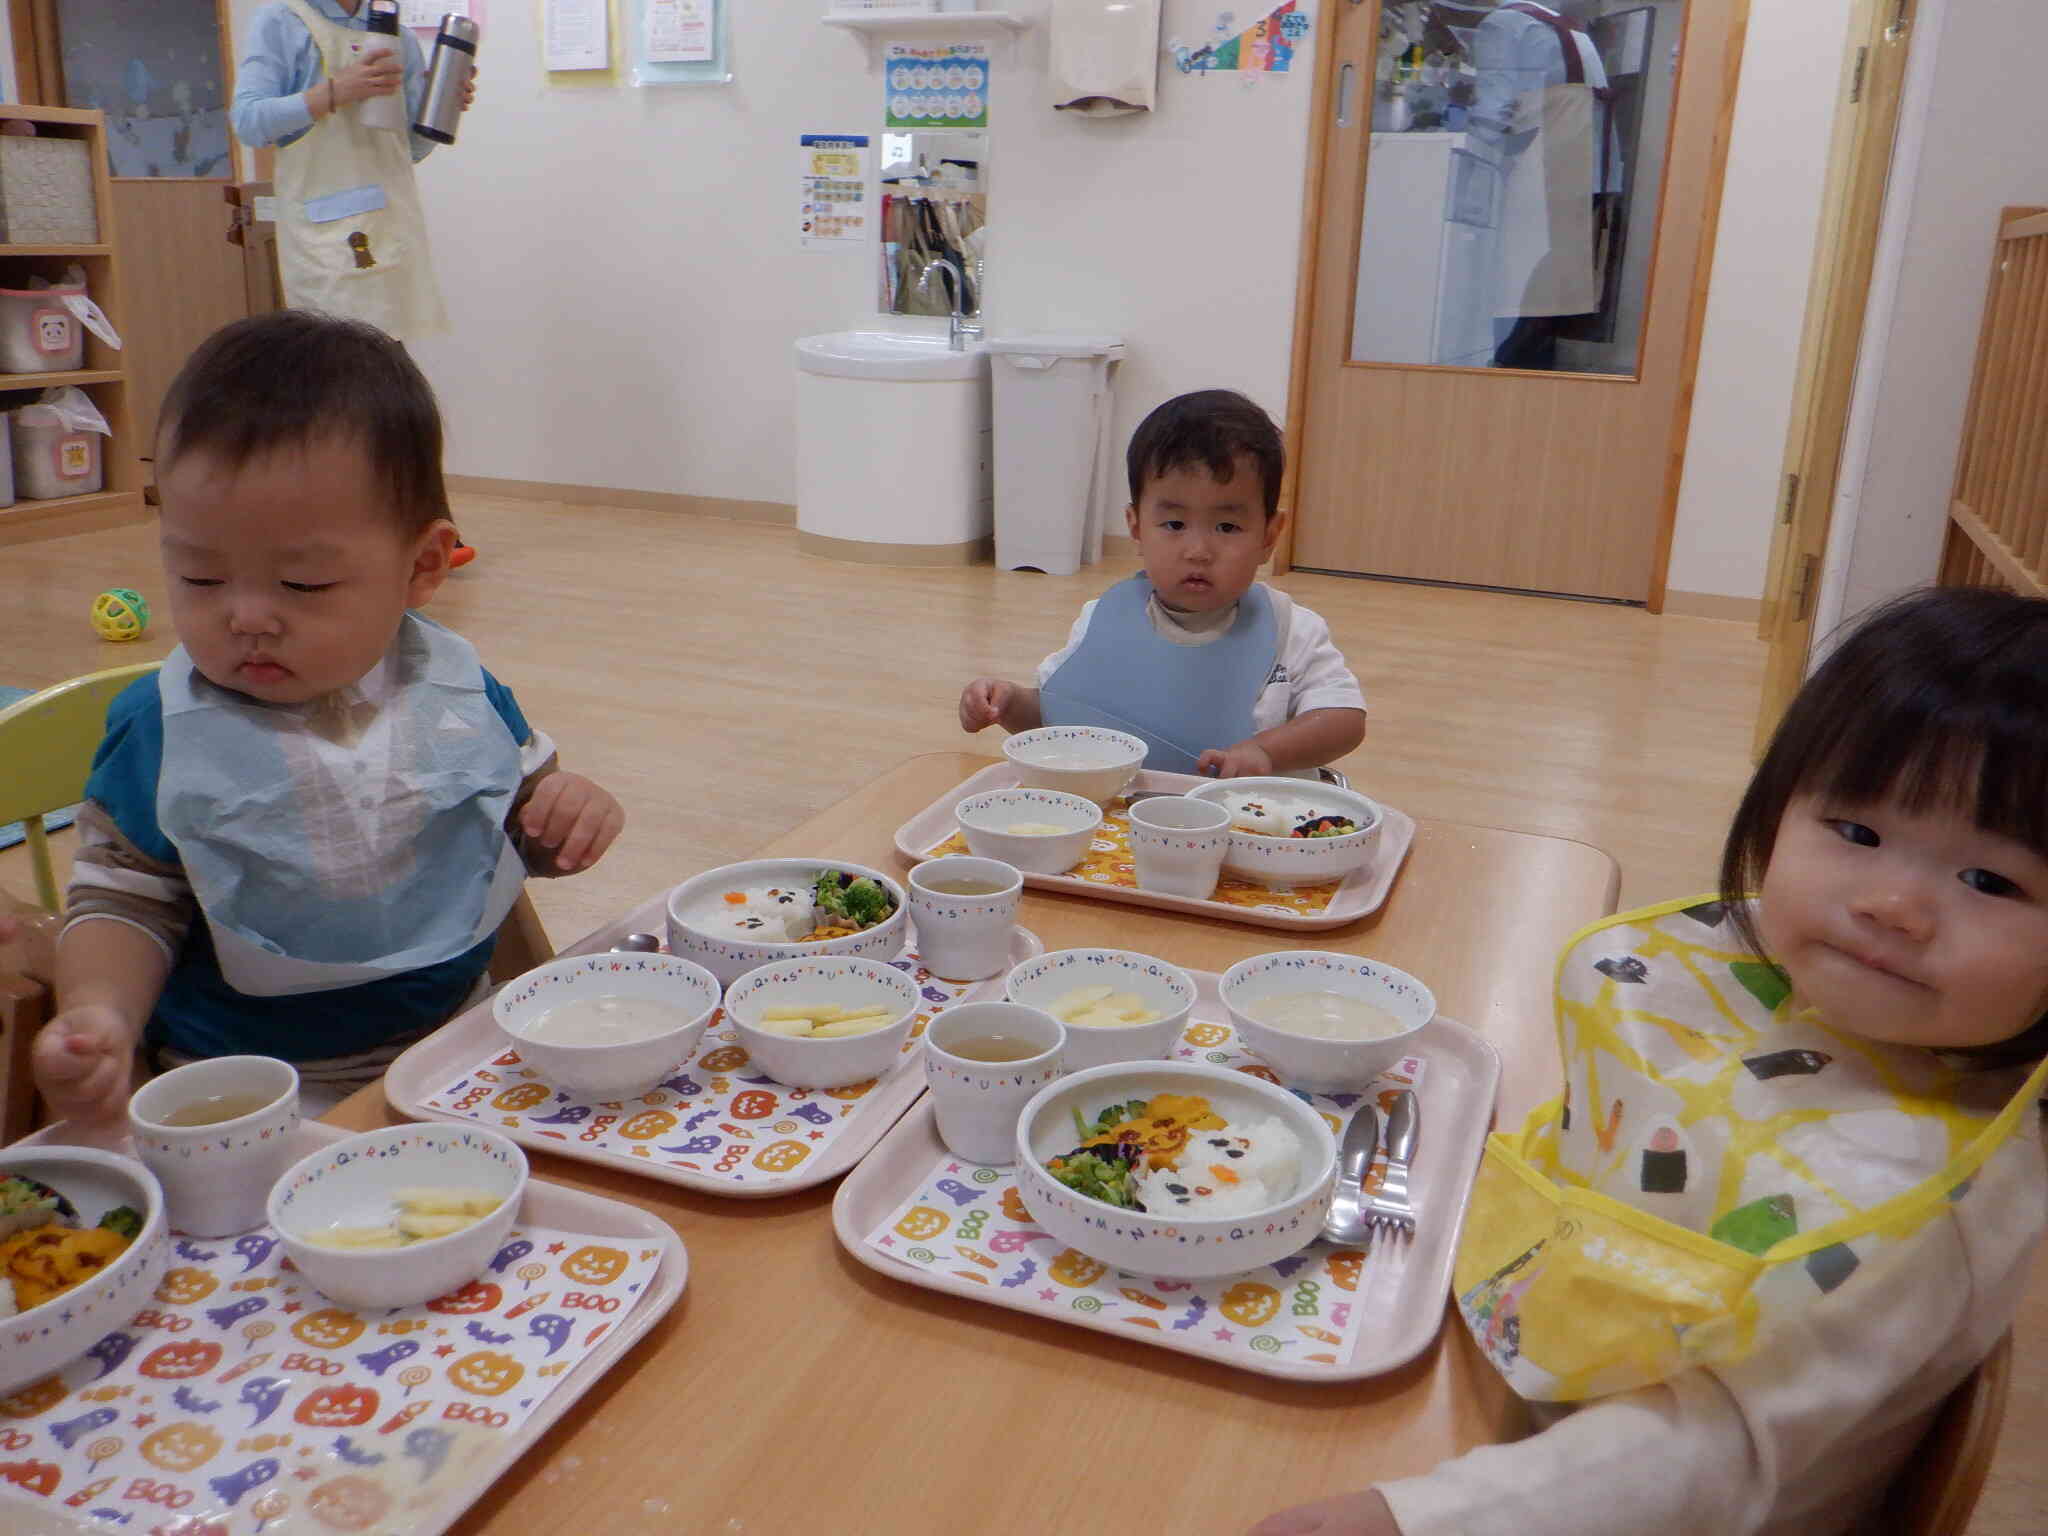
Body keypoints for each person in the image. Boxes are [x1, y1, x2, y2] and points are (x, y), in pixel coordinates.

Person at [1251, 585, 2048, 1536]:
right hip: (1525, 1365)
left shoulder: (1924, 1214)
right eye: (1860, 833)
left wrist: (1413, 1520)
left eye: (1989, 880)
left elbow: (1704, 1452)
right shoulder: (1795, 990)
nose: (1895, 905)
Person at [25, 312, 624, 1125]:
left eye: (302, 586)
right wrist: (101, 1013)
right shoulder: (162, 728)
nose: (246, 617)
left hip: (464, 1041)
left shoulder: (453, 689)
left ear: (422, 566)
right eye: (200, 577)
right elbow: (123, 904)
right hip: (252, 1086)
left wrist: (567, 816)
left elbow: (514, 829)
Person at [958, 389, 1367, 780]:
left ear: (1269, 536)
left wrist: (1266, 750)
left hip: (1255, 825)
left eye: (1227, 526)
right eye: (1174, 524)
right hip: (1127, 825)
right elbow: (1060, 714)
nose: (1198, 550)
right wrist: (1008, 703)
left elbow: (1344, 719)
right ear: (1136, 527)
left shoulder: (1292, 631)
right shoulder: (1103, 619)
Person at [231, 0, 478, 563]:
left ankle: (416, 531)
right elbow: (248, 121)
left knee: (391, 387)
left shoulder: (398, 38)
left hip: (387, 226)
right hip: (326, 234)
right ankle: (337, 529)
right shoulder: (284, 21)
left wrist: (445, 107)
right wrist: (333, 91)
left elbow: (407, 146)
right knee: (339, 388)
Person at [1469, 0, 1621, 370]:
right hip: (1589, 172)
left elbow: (1493, 107)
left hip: (1546, 169)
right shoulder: (1568, 29)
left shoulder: (1504, 23)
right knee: (1547, 298)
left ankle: (1500, 382)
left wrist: (1469, 154)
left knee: (1517, 289)